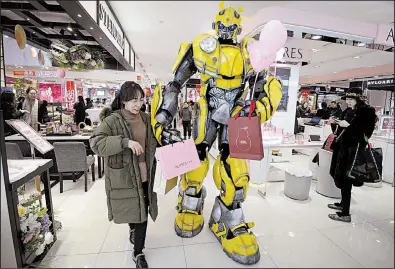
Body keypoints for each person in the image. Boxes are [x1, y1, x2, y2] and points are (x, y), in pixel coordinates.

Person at [89, 81, 158, 268]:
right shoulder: (112, 120)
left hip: (146, 170)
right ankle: (132, 228)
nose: (138, 104)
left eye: (141, 100)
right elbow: (95, 143)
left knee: (144, 206)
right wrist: (125, 142)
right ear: (124, 100)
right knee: (132, 207)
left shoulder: (146, 118)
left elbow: (154, 141)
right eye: (134, 100)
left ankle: (138, 253)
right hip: (125, 174)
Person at [328, 88, 377, 223]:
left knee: (346, 180)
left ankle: (345, 213)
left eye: (351, 99)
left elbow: (365, 134)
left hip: (353, 151)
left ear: (358, 99)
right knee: (339, 176)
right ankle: (343, 203)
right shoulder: (348, 111)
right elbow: (341, 131)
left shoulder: (367, 112)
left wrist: (348, 126)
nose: (348, 101)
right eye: (347, 99)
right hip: (342, 149)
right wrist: (335, 124)